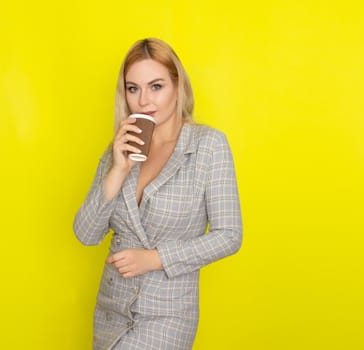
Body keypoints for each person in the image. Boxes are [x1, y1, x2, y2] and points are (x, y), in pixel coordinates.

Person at [73, 38, 242, 350]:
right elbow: (86, 234)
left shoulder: (208, 146)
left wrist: (155, 259)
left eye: (156, 86)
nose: (144, 100)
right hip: (111, 313)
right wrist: (118, 169)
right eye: (133, 88)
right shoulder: (118, 150)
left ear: (178, 87)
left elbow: (229, 235)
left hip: (167, 315)